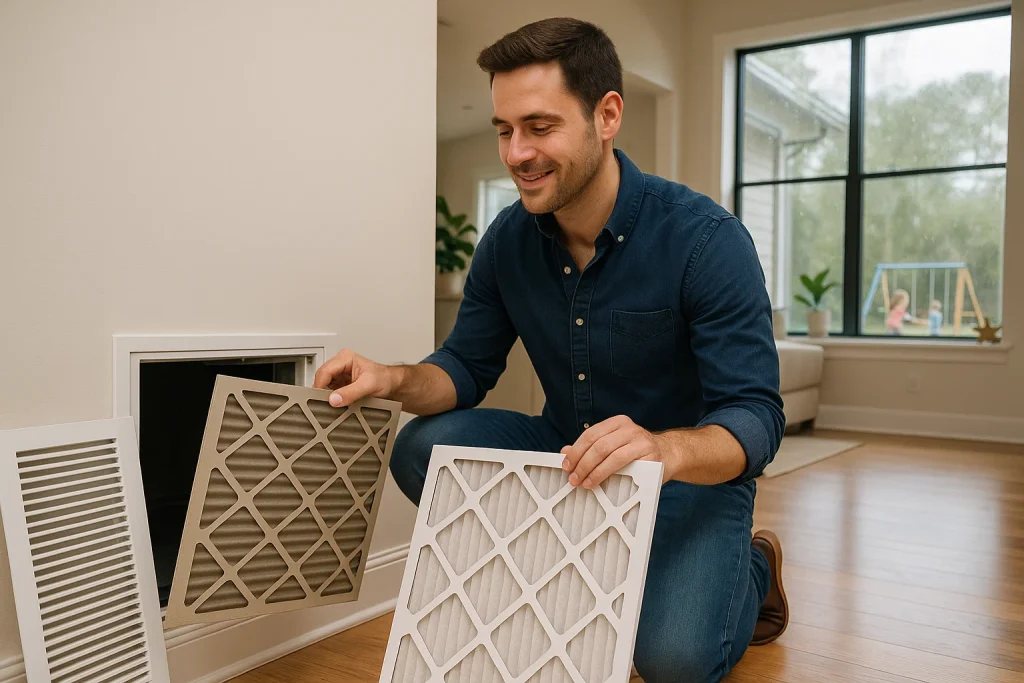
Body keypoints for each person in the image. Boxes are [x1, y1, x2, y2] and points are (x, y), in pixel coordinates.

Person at [314, 17, 787, 682]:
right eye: (504, 130)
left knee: (675, 661)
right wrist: (389, 376)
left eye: (539, 126)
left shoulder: (706, 240)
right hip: (564, 457)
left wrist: (665, 449)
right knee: (422, 445)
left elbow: (757, 417)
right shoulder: (508, 241)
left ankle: (755, 567)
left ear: (607, 115)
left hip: (686, 479)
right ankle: (568, 571)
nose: (516, 152)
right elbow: (465, 369)